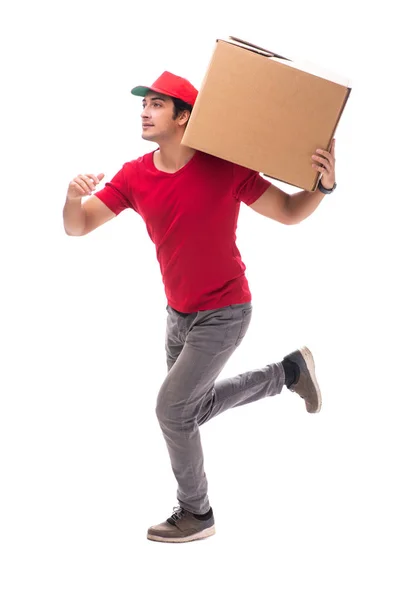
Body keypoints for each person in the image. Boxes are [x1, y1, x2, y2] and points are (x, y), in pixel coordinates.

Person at [63, 71, 337, 544]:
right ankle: (289, 373)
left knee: (171, 410)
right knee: (192, 408)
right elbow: (78, 226)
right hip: (178, 315)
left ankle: (197, 512)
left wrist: (323, 186)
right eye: (143, 104)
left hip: (226, 310)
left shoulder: (225, 167)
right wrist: (71, 198)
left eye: (156, 105)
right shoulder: (134, 175)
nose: (144, 111)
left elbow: (290, 212)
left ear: (185, 115)